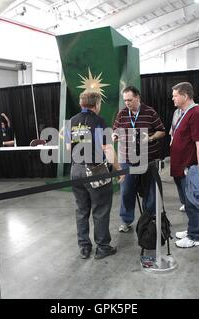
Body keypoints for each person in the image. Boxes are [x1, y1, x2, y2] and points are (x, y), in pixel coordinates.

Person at [67, 92, 124, 260]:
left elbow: (69, 148)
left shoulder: (72, 121)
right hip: (95, 170)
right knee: (100, 209)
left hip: (76, 170)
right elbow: (107, 148)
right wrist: (119, 169)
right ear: (97, 104)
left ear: (81, 103)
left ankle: (84, 247)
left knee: (81, 210)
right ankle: (103, 247)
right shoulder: (99, 122)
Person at [112, 86, 165, 233]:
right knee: (126, 191)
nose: (127, 103)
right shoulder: (122, 113)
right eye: (125, 100)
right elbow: (116, 129)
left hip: (148, 158)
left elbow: (161, 131)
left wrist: (151, 137)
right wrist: (115, 136)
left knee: (150, 190)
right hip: (127, 159)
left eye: (130, 100)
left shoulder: (150, 112)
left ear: (138, 98)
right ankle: (126, 220)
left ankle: (149, 217)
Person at [170, 82, 199, 248]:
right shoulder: (184, 113)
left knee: (194, 203)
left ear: (185, 96)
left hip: (191, 168)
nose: (173, 98)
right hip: (181, 167)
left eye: (175, 95)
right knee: (187, 203)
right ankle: (192, 228)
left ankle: (195, 236)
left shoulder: (197, 114)